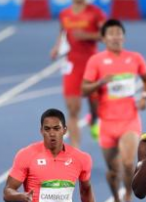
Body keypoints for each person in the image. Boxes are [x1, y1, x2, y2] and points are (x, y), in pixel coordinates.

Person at [82, 18, 146, 202]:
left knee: (129, 163)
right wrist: (100, 82)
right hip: (107, 124)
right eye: (110, 33)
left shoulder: (135, 58)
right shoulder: (96, 61)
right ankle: (117, 201)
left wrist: (145, 97)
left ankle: (128, 200)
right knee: (113, 172)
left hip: (129, 120)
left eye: (118, 33)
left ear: (123, 36)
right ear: (103, 38)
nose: (115, 37)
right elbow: (84, 89)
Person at [51, 0, 105, 148]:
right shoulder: (64, 13)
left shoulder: (95, 12)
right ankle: (76, 150)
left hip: (91, 64)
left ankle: (93, 119)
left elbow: (106, 34)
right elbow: (62, 33)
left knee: (95, 105)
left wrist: (87, 35)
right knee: (72, 108)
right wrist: (56, 47)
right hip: (72, 65)